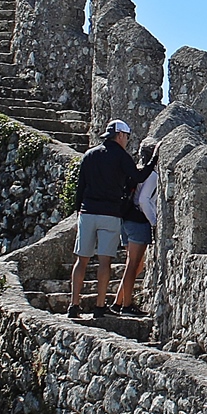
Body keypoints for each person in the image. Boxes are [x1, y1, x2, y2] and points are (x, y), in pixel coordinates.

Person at [73, 120, 140, 315]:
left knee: (81, 260)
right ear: (120, 135)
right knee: (104, 261)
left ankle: (74, 305)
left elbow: (80, 188)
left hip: (87, 212)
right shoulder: (121, 156)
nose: (127, 140)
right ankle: (100, 306)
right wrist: (153, 160)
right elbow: (137, 176)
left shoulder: (89, 155)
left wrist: (80, 211)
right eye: (127, 137)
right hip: (109, 214)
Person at [115, 139, 162, 313]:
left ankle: (118, 302)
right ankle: (126, 306)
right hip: (138, 221)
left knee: (135, 264)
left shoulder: (135, 170)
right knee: (133, 264)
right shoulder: (152, 175)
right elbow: (143, 200)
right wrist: (155, 221)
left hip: (125, 220)